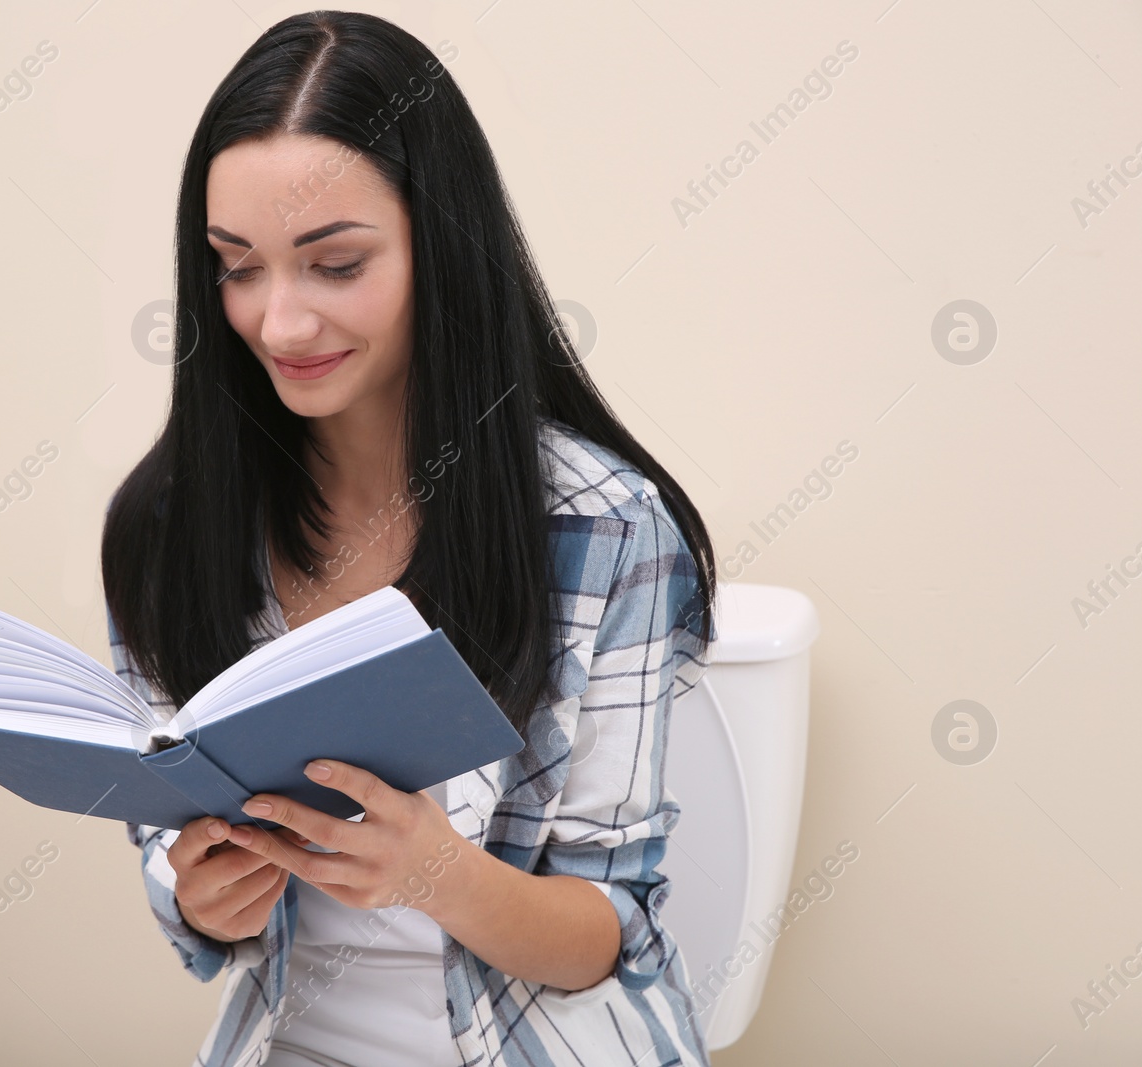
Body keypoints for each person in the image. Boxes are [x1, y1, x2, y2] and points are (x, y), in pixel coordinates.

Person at [100, 10, 719, 1065]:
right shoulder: (172, 526)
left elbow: (612, 934)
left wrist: (433, 870)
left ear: (441, 246)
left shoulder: (606, 529)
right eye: (236, 267)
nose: (278, 322)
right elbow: (182, 879)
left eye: (334, 264)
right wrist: (203, 898)